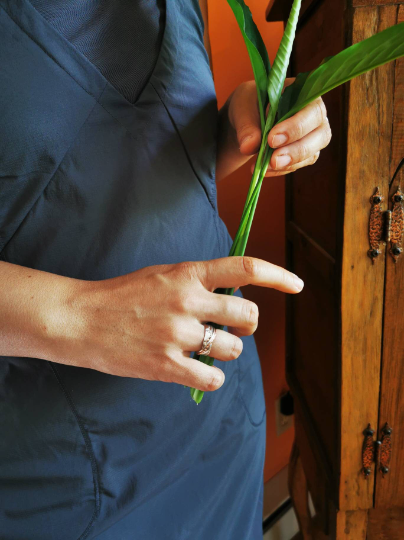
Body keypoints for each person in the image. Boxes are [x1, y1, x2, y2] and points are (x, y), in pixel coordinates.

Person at [0, 1, 331, 538]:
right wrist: (80, 315)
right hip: (67, 484)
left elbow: (167, 164)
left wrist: (241, 128)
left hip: (220, 429)